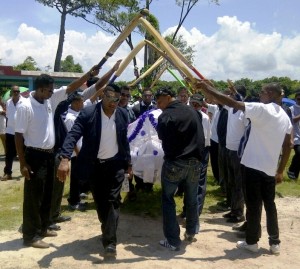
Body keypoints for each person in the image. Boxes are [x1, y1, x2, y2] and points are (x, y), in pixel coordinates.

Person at [193, 80, 292, 255]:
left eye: (262, 92)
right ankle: (274, 242)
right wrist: (280, 170)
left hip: (252, 165)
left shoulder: (262, 109)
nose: (259, 95)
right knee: (270, 205)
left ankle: (252, 242)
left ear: (269, 93)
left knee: (253, 206)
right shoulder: (284, 116)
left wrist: (206, 88)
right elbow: (288, 145)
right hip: (269, 168)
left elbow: (232, 102)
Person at [14, 71, 90, 248]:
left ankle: (43, 227)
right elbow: (18, 136)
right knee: (34, 197)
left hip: (49, 154)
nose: (52, 92)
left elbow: (71, 87)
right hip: (34, 155)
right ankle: (30, 235)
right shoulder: (25, 106)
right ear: (40, 89)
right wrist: (23, 163)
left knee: (48, 192)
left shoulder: (48, 100)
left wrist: (90, 74)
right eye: (49, 90)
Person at [57, 84, 131, 258]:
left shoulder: (122, 114)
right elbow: (73, 134)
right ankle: (107, 229)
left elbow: (124, 141)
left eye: (117, 99)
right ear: (103, 95)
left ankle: (110, 243)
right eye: (110, 98)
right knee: (101, 203)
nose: (113, 103)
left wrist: (129, 164)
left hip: (115, 165)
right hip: (94, 166)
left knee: (113, 201)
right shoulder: (88, 113)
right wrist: (65, 158)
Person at [155, 87, 205, 251]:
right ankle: (191, 231)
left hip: (175, 163)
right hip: (195, 163)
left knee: (168, 199)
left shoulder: (166, 116)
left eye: (160, 101)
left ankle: (173, 240)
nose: (158, 105)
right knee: (191, 198)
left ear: (168, 97)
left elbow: (163, 138)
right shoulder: (193, 111)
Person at [132, 88, 156, 192]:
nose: (147, 97)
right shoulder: (136, 108)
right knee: (138, 161)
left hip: (152, 139)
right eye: (145, 95)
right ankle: (139, 183)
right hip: (139, 139)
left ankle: (149, 184)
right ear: (142, 96)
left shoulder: (155, 108)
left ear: (152, 96)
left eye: (149, 95)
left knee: (150, 162)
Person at [1, 86, 25, 181]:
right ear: (11, 92)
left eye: (17, 91)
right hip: (10, 131)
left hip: (22, 131)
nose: (16, 93)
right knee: (9, 154)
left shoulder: (25, 102)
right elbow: (8, 116)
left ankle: (25, 169)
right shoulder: (8, 102)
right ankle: (8, 173)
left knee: (25, 152)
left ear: (19, 92)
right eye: (14, 91)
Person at [287, 90, 300, 180]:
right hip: (295, 136)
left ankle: (294, 175)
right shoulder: (291, 109)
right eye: (299, 98)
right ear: (295, 98)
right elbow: (292, 120)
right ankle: (291, 170)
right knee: (299, 153)